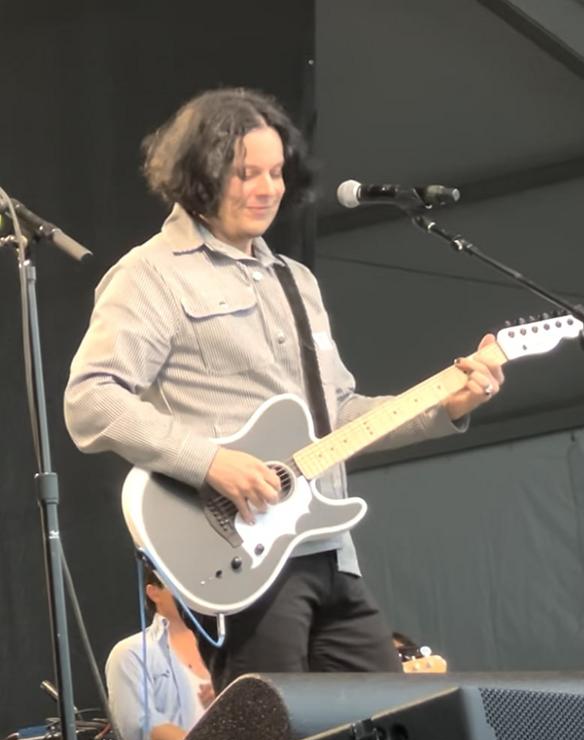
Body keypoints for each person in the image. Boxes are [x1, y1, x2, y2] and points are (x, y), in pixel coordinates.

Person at [65, 88, 505, 691]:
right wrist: (212, 462)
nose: (268, 187)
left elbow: (339, 413)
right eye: (247, 173)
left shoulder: (295, 281)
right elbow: (91, 399)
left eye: (276, 172)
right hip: (240, 556)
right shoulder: (151, 275)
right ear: (199, 176)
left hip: (331, 551)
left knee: (396, 733)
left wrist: (446, 404)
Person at [107, 566, 213, 740]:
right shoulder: (132, 653)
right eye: (177, 582)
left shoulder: (226, 648)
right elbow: (141, 727)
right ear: (153, 592)